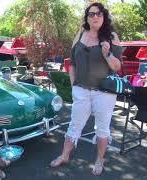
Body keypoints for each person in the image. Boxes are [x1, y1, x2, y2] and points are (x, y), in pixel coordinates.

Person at [50, 2, 122, 176]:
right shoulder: (80, 35)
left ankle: (99, 161)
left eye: (98, 14)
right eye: (91, 14)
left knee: (102, 128)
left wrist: (108, 54)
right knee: (74, 125)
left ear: (104, 16)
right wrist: (74, 85)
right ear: (87, 18)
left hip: (104, 93)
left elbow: (117, 67)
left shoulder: (111, 37)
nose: (95, 16)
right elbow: (72, 64)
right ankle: (64, 155)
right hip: (81, 90)